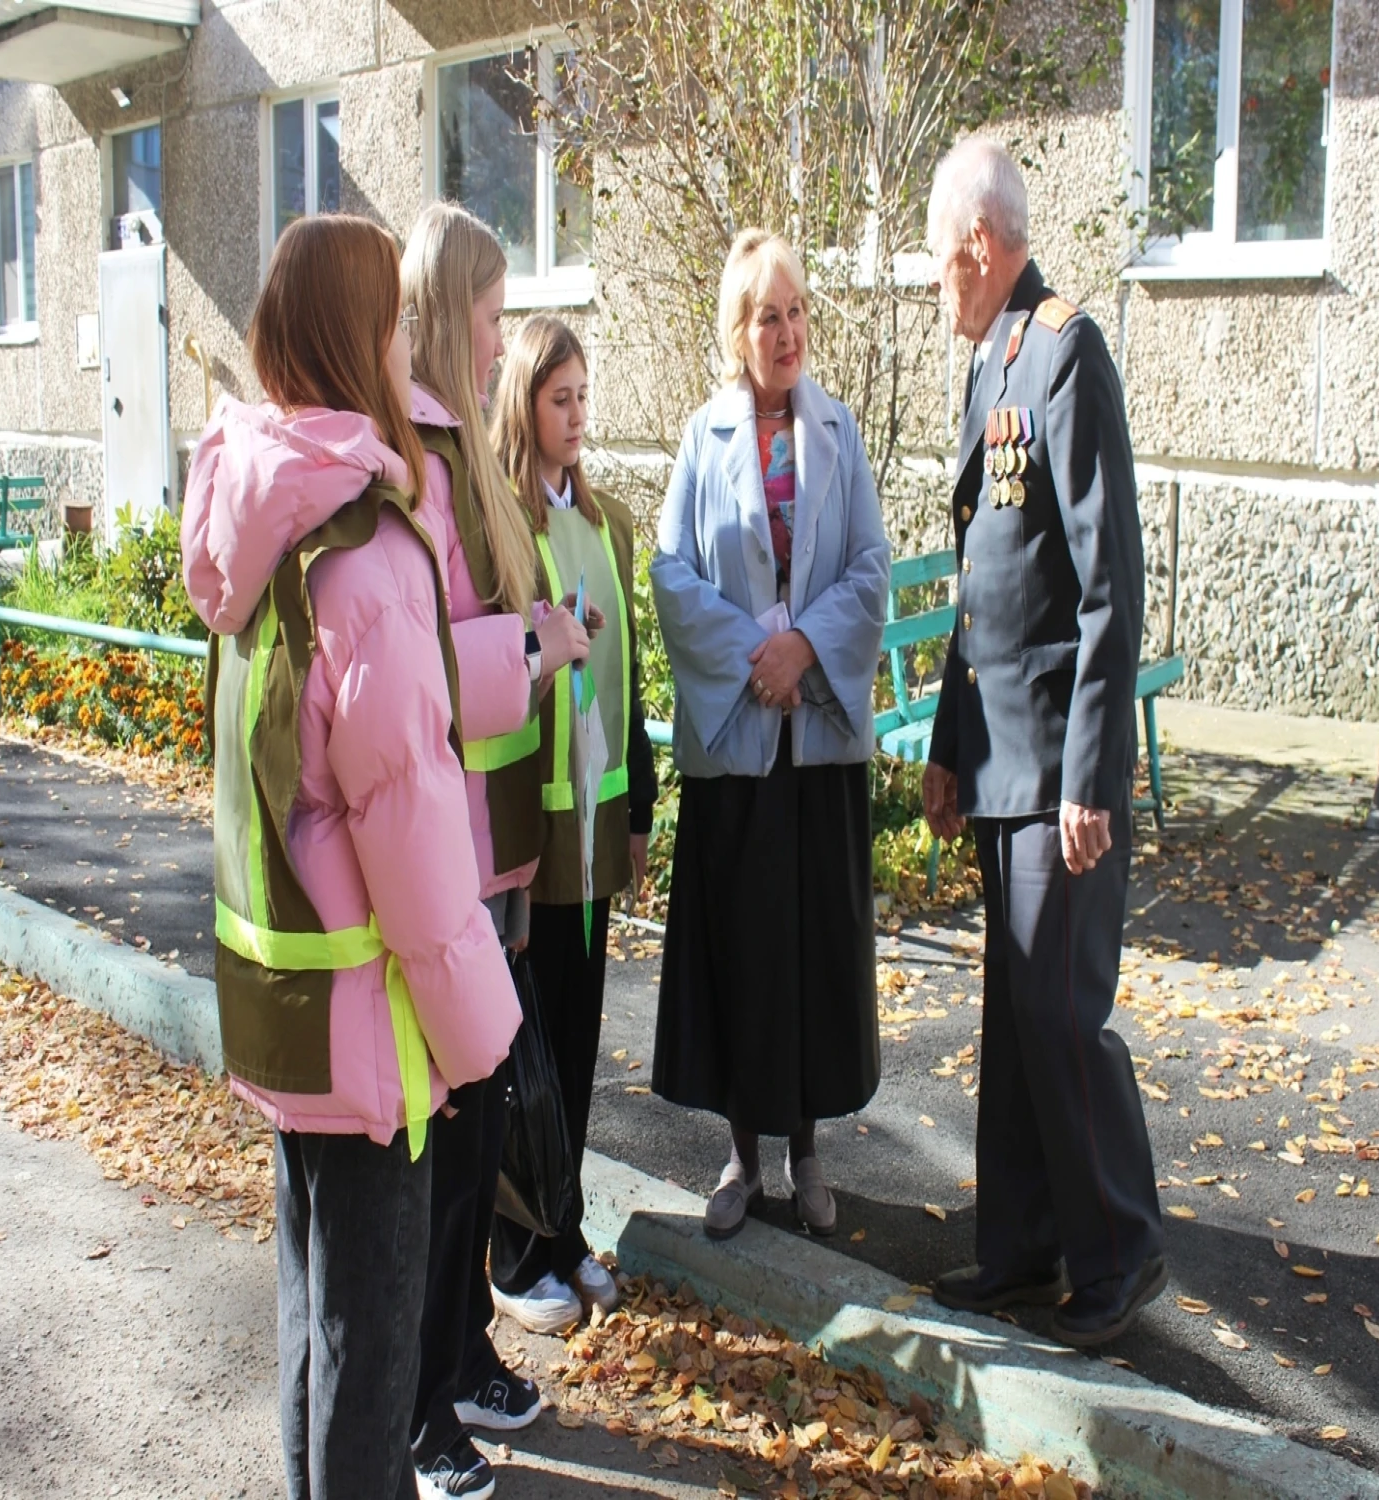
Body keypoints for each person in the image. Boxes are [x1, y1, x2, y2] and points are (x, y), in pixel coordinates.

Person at [181, 214, 521, 1500]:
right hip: (373, 1029)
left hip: (284, 1013)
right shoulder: (367, 549)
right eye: (387, 325)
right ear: (349, 342)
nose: (404, 348)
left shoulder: (256, 520)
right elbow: (414, 829)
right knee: (370, 1352)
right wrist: (481, 1031)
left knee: (311, 1324)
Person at [920, 136, 1165, 1346]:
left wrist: (1089, 780)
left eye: (936, 264)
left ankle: (1121, 1252)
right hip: (1002, 759)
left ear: (980, 242)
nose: (934, 289)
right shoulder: (991, 363)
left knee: (1063, 1017)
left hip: (1060, 767)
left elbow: (1107, 580)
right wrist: (949, 745)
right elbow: (987, 589)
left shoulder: (1064, 351)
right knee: (1015, 1022)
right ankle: (1018, 1251)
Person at [401, 204, 591, 1498]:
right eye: (488, 311)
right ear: (445, 307)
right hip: (451, 860)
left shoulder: (457, 443)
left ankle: (460, 1358)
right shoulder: (418, 453)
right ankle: (423, 1412)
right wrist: (535, 648)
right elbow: (421, 666)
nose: (496, 336)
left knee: (474, 1147)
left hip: (493, 853)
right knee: (451, 1152)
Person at [649, 230, 890, 1241]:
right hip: (742, 742)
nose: (785, 331)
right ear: (736, 332)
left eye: (795, 312)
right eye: (766, 315)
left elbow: (871, 567)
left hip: (815, 747)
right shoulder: (703, 441)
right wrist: (761, 655)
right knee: (743, 951)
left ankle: (808, 1154)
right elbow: (669, 574)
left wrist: (808, 653)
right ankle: (742, 1158)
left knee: (812, 952)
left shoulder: (839, 430)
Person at [487, 314, 658, 1330]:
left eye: (584, 396)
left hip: (595, 822)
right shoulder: (504, 526)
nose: (577, 416)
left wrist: (637, 802)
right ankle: (519, 1250)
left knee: (584, 1034)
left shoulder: (609, 524)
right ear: (524, 403)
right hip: (534, 831)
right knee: (531, 1044)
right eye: (560, 399)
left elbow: (630, 681)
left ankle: (568, 1225)